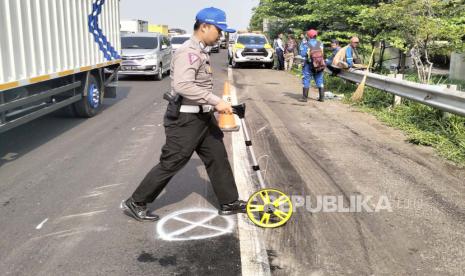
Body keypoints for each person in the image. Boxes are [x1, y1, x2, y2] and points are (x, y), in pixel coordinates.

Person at [121, 7, 247, 222]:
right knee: (173, 161)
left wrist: (212, 106)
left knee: (217, 157)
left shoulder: (201, 51)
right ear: (204, 26)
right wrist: (217, 102)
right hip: (185, 119)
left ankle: (229, 201)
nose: (221, 35)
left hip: (202, 117)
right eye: (219, 30)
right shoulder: (188, 52)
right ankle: (136, 202)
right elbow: (183, 86)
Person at [298, 29, 326, 102]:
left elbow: (302, 54)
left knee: (306, 79)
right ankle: (321, 97)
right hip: (319, 64)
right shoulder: (320, 43)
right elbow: (323, 53)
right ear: (316, 36)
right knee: (319, 79)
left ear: (308, 36)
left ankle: (304, 98)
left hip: (308, 65)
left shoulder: (306, 44)